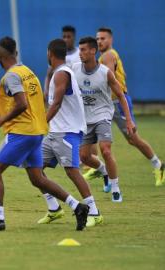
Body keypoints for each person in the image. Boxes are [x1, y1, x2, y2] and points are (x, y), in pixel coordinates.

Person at [0, 37, 89, 232]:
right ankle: (77, 206)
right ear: (15, 54)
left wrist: (1, 120)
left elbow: (22, 104)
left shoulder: (11, 76)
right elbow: (30, 102)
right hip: (36, 132)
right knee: (37, 178)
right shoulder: (27, 72)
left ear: (0, 55)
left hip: (22, 133)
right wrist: (3, 110)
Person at [86, 27, 164, 187]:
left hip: (118, 103)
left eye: (103, 38)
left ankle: (159, 165)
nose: (100, 41)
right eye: (98, 39)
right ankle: (101, 167)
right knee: (96, 132)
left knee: (133, 139)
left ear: (110, 40)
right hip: (107, 103)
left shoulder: (108, 55)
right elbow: (118, 76)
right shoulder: (105, 57)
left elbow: (108, 79)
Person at [37, 39, 103, 227]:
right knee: (34, 168)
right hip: (55, 132)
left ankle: (95, 212)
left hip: (67, 132)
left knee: (72, 172)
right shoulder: (58, 72)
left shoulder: (61, 74)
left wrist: (41, 123)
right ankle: (54, 208)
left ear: (50, 53)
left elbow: (56, 104)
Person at [72, 36, 135, 202]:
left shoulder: (105, 73)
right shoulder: (75, 69)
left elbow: (121, 95)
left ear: (93, 51)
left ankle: (115, 188)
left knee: (105, 149)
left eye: (84, 49)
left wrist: (129, 120)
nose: (80, 53)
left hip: (103, 115)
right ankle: (104, 171)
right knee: (84, 157)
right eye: (80, 49)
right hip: (85, 119)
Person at [44, 25, 81, 99]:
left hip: (77, 92)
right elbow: (49, 74)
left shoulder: (80, 53)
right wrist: (46, 91)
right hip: (61, 91)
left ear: (74, 38)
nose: (66, 39)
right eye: (64, 37)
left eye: (68, 37)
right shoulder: (57, 55)